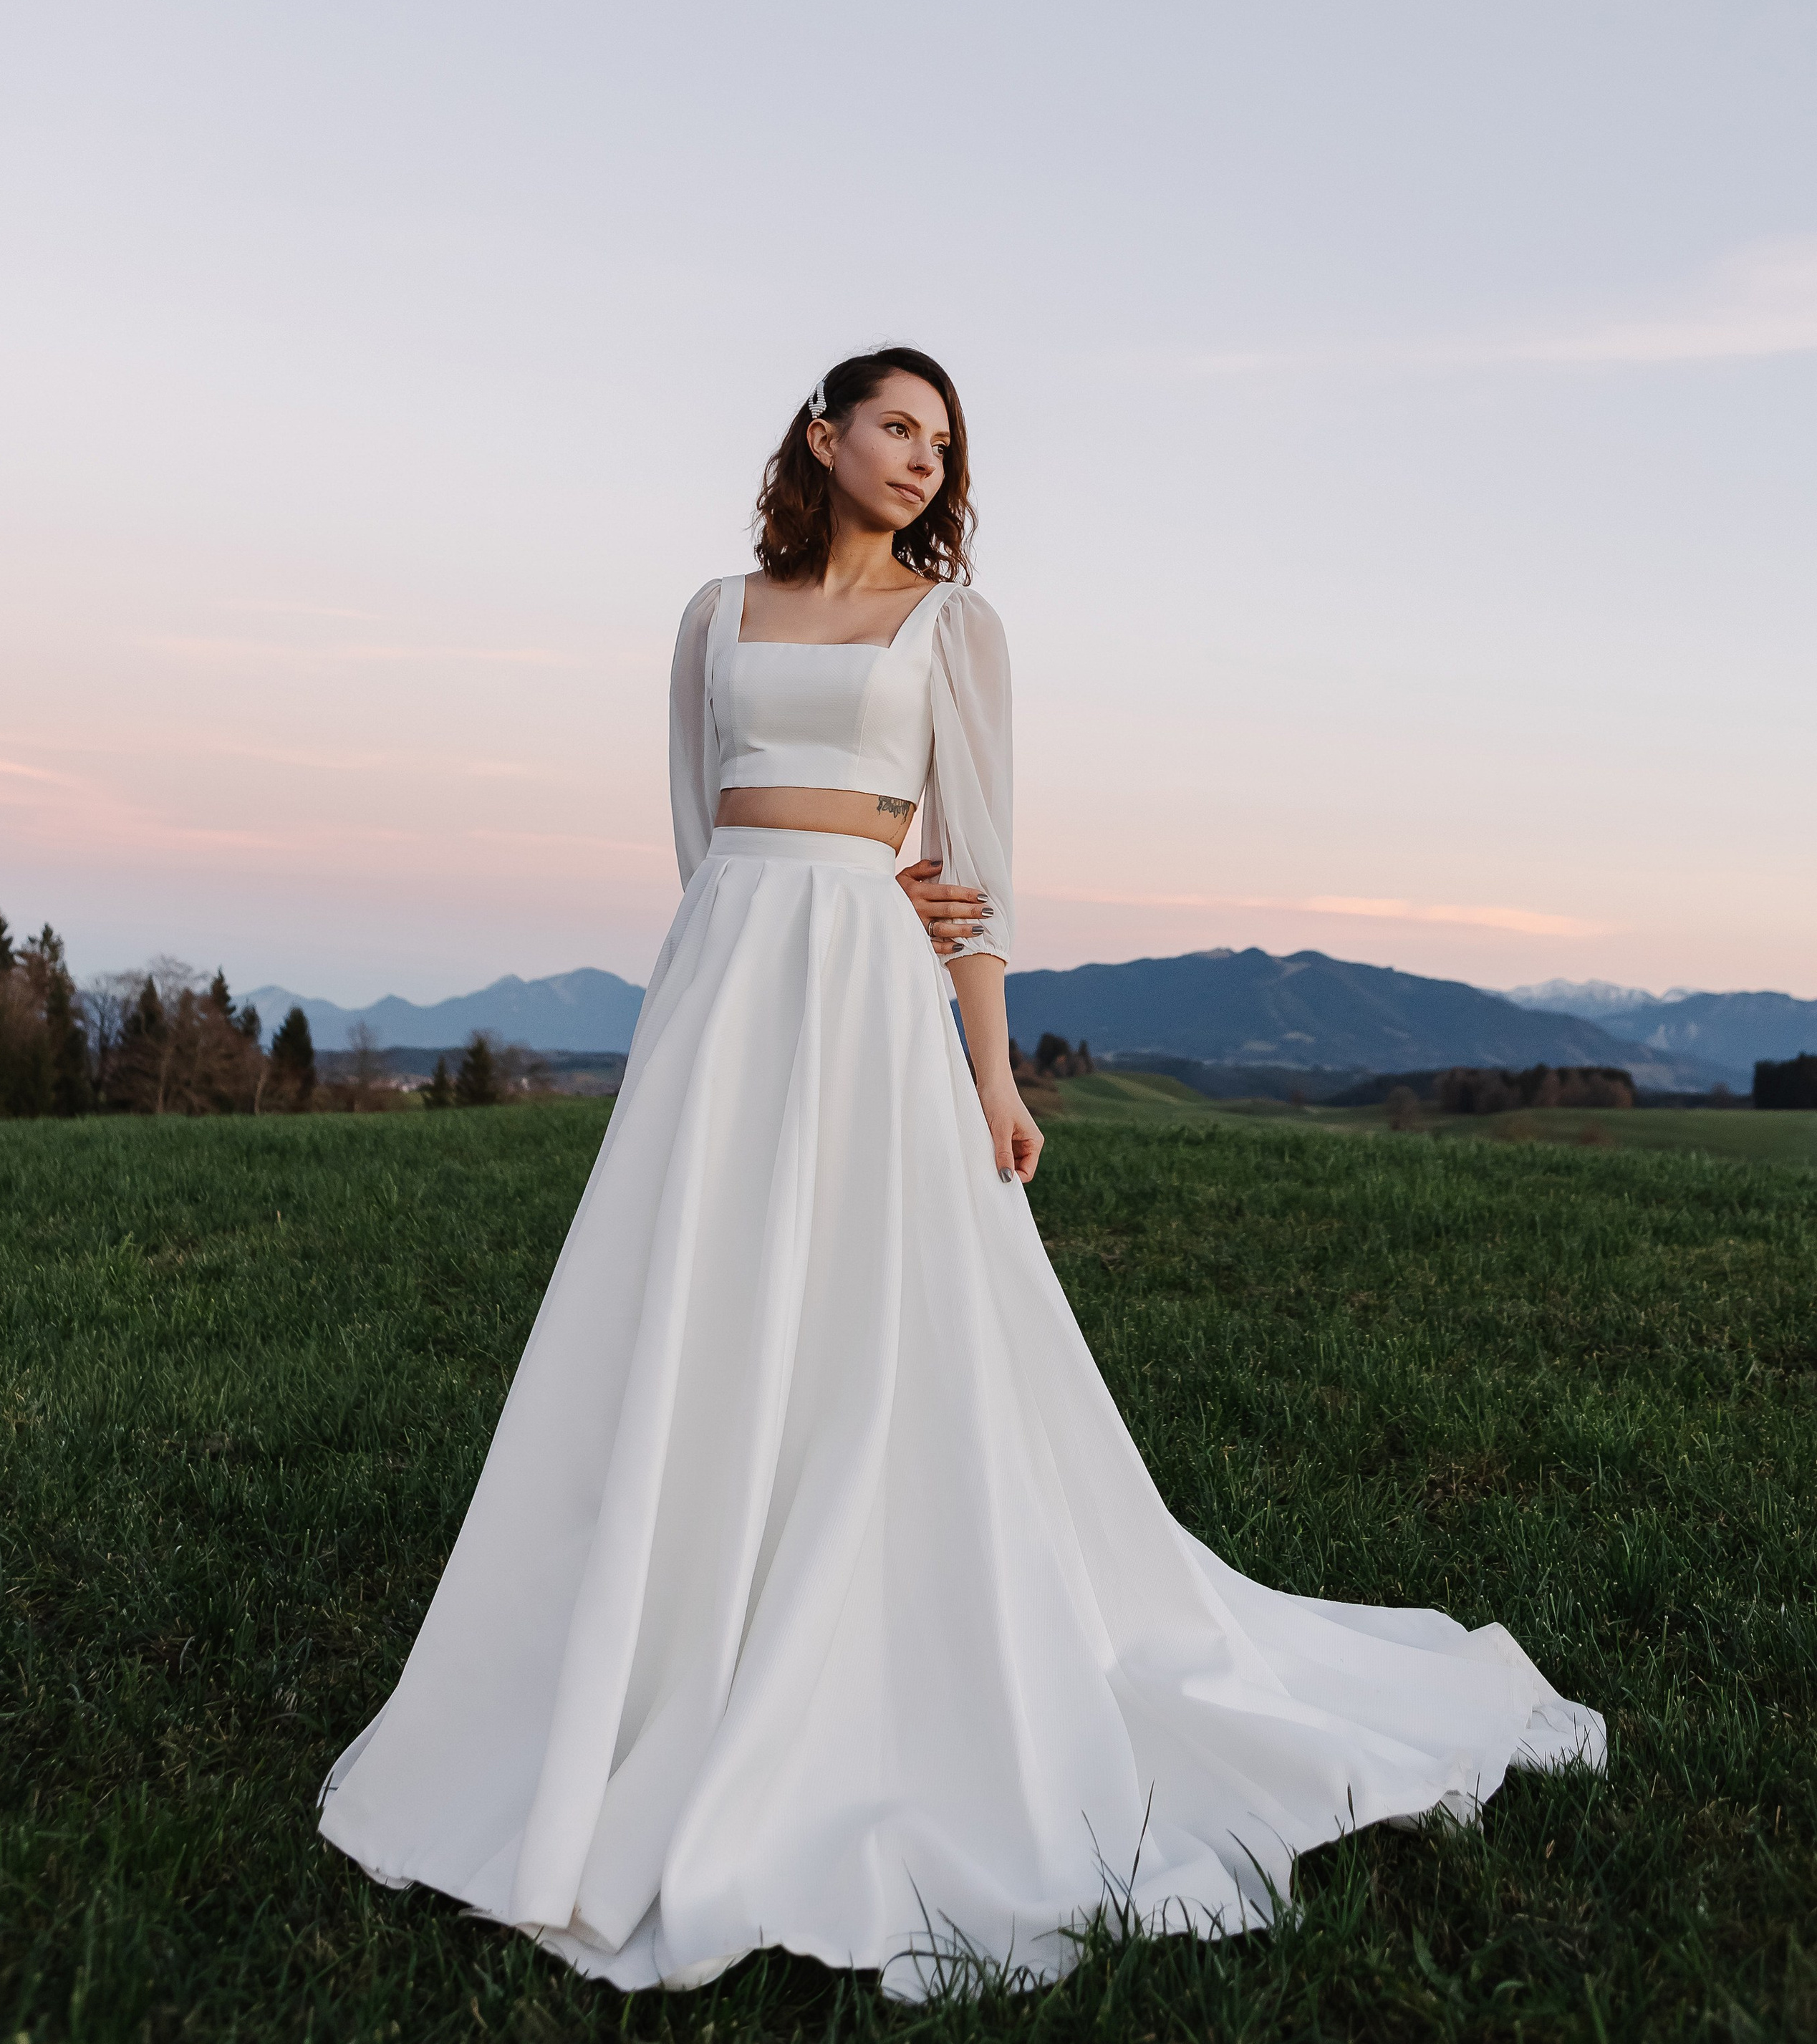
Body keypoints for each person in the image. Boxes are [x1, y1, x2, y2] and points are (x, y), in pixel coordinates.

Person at [317, 344, 1603, 1997]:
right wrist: (775, 909)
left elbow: (974, 868)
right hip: (726, 978)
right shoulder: (712, 611)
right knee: (690, 1306)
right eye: (895, 426)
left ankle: (851, 1631)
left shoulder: (952, 629)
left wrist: (985, 1065)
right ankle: (648, 1634)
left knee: (871, 1309)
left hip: (867, 984)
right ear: (821, 432)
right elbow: (698, 833)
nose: (922, 458)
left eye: (944, 440)